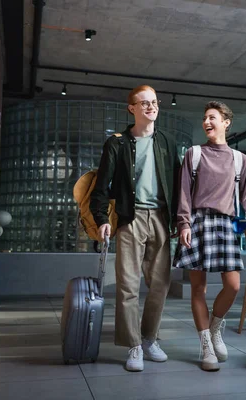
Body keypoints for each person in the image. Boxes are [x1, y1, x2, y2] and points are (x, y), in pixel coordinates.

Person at [172, 101, 246, 371]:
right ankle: (206, 344)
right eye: (205, 117)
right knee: (198, 288)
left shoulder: (240, 160)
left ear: (226, 122)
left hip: (224, 224)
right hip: (196, 222)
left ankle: (215, 326)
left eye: (213, 117)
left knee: (233, 286)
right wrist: (183, 224)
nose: (207, 122)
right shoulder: (194, 154)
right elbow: (182, 193)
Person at [90, 85, 180, 372]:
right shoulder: (116, 143)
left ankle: (149, 338)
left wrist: (180, 219)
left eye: (154, 102)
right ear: (132, 108)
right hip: (131, 217)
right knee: (128, 285)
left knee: (160, 284)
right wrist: (102, 218)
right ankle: (133, 346)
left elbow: (178, 185)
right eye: (144, 103)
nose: (150, 107)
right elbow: (101, 185)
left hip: (162, 218)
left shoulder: (167, 141)